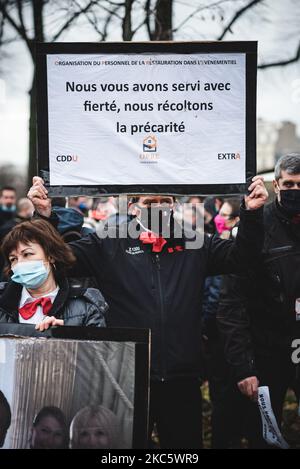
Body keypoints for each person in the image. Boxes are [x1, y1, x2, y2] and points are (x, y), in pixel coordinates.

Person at [28, 175, 268, 449]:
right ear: (132, 207)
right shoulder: (107, 244)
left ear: (174, 205)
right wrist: (44, 217)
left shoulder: (196, 243)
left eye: (164, 201)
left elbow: (243, 257)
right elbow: (57, 262)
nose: (158, 208)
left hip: (182, 377)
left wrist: (252, 212)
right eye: (149, 202)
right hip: (126, 378)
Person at [217, 153, 300, 448]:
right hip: (267, 348)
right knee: (265, 434)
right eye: (289, 184)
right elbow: (231, 303)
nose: (295, 191)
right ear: (276, 185)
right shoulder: (256, 229)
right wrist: (243, 366)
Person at [0, 219, 107, 330]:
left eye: (27, 254)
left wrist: (68, 335)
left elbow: (99, 346)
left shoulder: (86, 308)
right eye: (13, 259)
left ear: (50, 256)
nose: (20, 263)